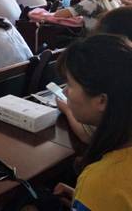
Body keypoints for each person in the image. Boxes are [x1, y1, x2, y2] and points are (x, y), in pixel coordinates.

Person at [52, 34, 132, 211]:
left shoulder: (101, 181)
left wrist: (91, 195)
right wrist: (84, 199)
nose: (64, 92)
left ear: (101, 101)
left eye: (70, 84)